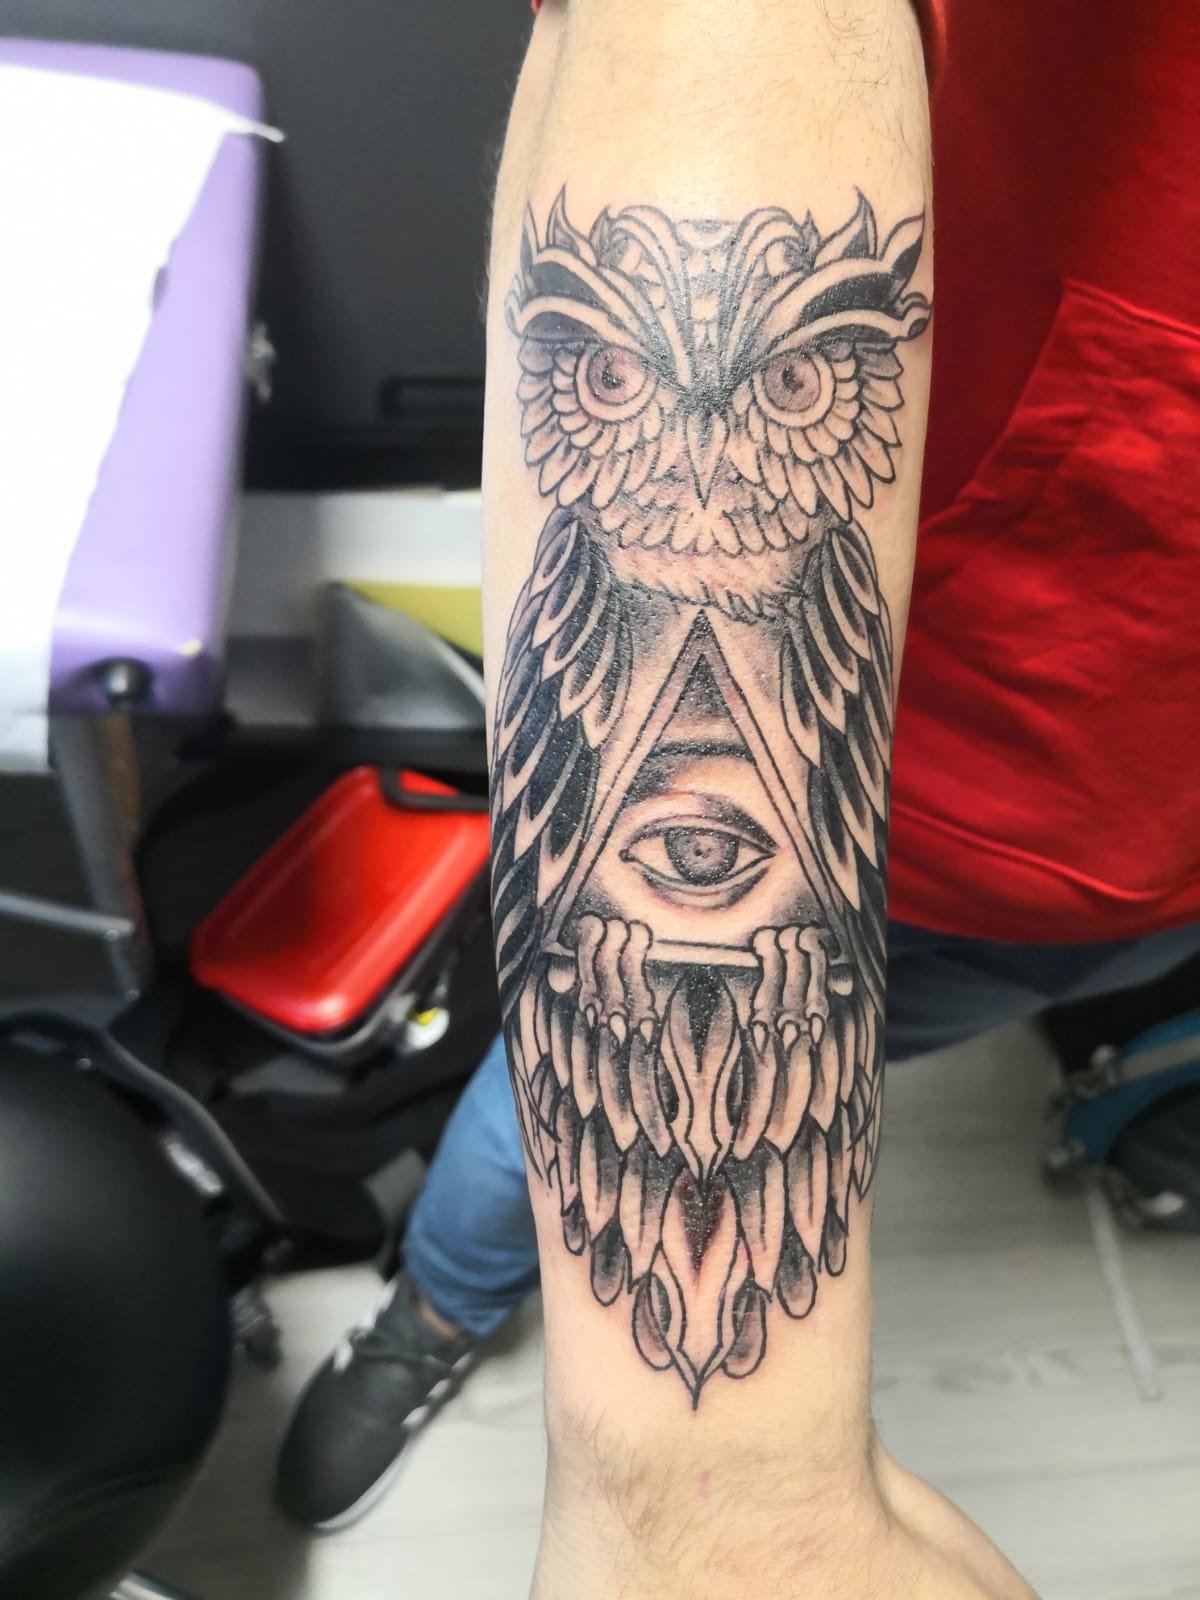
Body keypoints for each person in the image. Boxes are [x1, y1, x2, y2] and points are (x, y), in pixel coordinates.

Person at [279, 1, 1200, 1595]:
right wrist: (694, 1478)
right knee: (572, 1075)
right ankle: (437, 1309)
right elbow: (709, 48)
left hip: (1156, 858)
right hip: (920, 802)